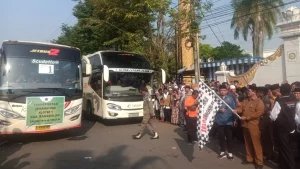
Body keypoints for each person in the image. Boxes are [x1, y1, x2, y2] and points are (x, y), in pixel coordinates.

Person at [237, 85, 264, 169]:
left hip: (253, 126)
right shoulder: (245, 101)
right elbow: (240, 109)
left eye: (249, 91)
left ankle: (259, 161)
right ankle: (249, 159)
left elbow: (259, 113)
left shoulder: (259, 102)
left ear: (254, 92)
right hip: (245, 125)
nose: (247, 92)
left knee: (256, 144)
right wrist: (236, 110)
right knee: (247, 143)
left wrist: (247, 118)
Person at [270, 83, 296, 169]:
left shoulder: (279, 101)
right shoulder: (294, 100)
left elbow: (273, 116)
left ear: (281, 91)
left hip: (282, 130)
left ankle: (291, 166)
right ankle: (282, 165)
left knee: (285, 150)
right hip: (292, 128)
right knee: (287, 148)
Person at [216, 85, 237, 160]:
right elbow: (212, 108)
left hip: (228, 121)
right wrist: (219, 109)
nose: (222, 91)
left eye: (224, 90)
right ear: (219, 90)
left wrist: (234, 119)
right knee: (221, 137)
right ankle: (222, 151)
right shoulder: (216, 98)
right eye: (221, 90)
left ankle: (230, 152)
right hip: (219, 121)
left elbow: (234, 109)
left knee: (229, 137)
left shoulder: (230, 99)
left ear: (227, 91)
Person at [257, 87, 274, 161]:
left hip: (266, 120)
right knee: (264, 137)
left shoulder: (266, 99)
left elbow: (266, 110)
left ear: (261, 93)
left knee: (267, 138)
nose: (257, 93)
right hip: (263, 120)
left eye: (258, 92)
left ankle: (270, 154)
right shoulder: (262, 99)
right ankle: (266, 152)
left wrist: (258, 112)